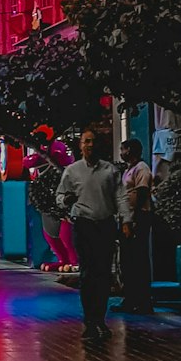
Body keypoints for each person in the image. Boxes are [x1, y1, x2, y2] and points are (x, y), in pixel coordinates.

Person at [56, 129, 127, 345]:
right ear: (80, 146)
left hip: (104, 225)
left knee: (103, 273)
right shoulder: (72, 171)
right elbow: (60, 195)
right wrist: (65, 201)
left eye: (93, 142)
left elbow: (121, 196)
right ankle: (90, 322)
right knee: (88, 274)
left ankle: (100, 319)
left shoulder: (110, 171)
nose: (90, 145)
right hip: (84, 225)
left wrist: (127, 221)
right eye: (86, 142)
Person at [24, 126, 77, 273]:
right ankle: (63, 260)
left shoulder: (58, 155)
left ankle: (74, 261)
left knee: (65, 234)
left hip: (62, 207)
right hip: (46, 207)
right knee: (49, 234)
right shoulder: (41, 174)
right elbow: (28, 162)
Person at [117, 137, 155, 314]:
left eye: (123, 149)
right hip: (127, 218)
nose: (121, 153)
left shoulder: (142, 169)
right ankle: (130, 298)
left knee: (138, 259)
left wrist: (132, 219)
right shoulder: (128, 170)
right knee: (127, 260)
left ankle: (143, 300)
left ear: (131, 150)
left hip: (138, 218)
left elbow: (141, 193)